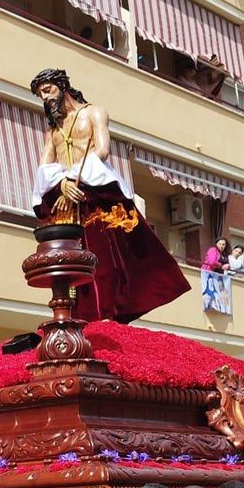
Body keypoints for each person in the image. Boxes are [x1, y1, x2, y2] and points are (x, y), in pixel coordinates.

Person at [29, 67, 190, 323]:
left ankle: (108, 313)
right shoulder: (53, 131)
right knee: (69, 261)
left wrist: (73, 181)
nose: (45, 98)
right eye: (40, 95)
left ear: (62, 86)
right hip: (67, 202)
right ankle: (76, 314)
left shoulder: (94, 112)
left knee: (105, 259)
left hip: (95, 193)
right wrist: (61, 184)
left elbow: (102, 151)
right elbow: (44, 165)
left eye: (47, 90)